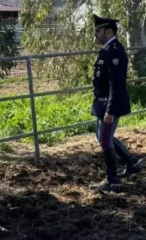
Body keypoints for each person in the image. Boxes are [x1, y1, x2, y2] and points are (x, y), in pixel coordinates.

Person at [90, 14, 143, 192]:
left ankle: (113, 181)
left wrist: (110, 111)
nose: (95, 33)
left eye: (98, 30)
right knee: (103, 137)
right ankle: (131, 162)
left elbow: (116, 84)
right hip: (102, 103)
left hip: (108, 105)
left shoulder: (115, 51)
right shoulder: (106, 49)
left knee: (105, 141)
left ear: (109, 31)